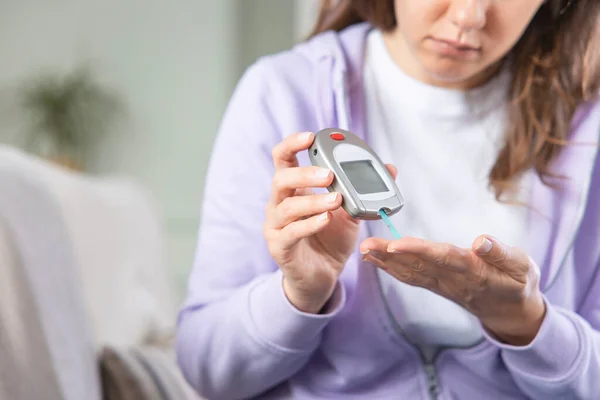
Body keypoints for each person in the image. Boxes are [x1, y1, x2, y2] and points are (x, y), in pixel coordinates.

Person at [176, 0, 600, 398]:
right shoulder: (283, 92)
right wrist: (297, 296)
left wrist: (528, 325)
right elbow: (208, 370)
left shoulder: (588, 125)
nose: (469, 16)